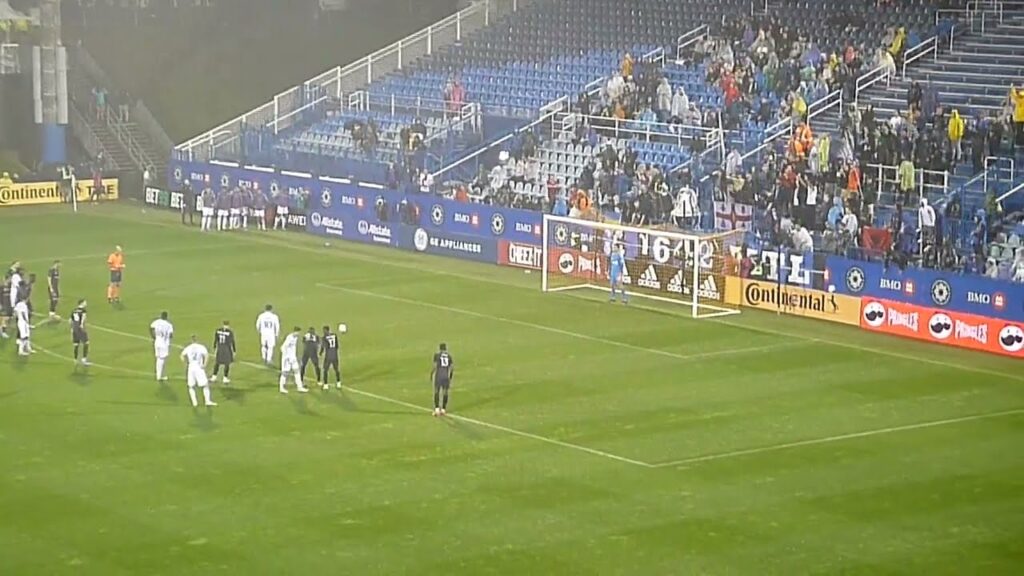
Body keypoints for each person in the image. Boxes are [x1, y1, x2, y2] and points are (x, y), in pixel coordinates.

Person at [180, 335, 216, 408]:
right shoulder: (201, 347)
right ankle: (207, 401)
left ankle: (194, 402)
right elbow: (206, 355)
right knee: (205, 384)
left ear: (192, 340)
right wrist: (204, 364)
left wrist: (185, 363)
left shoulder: (188, 347)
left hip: (191, 367)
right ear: (197, 340)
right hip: (199, 368)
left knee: (191, 385)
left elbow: (181, 355)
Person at [279, 327, 307, 394]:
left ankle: (300, 387)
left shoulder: (295, 338)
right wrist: (286, 357)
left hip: (293, 358)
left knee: (297, 371)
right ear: (294, 331)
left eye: (299, 333)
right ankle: (281, 388)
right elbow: (282, 347)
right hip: (287, 359)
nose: (298, 334)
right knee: (285, 373)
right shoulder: (289, 338)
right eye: (297, 332)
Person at [149, 311, 174, 382]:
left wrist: (153, 336)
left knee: (158, 358)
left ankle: (159, 374)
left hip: (157, 342)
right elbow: (171, 335)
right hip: (164, 343)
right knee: (162, 359)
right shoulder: (169, 325)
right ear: (166, 316)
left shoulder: (156, 322)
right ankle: (159, 376)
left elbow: (151, 328)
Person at [431, 342, 454, 416]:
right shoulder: (449, 356)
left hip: (439, 376)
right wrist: (450, 377)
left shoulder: (437, 355)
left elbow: (435, 366)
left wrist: (431, 374)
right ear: (446, 349)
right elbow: (452, 368)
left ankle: (437, 409)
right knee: (445, 392)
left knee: (437, 391)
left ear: (440, 349)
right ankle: (443, 409)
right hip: (445, 376)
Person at [320, 325, 341, 390]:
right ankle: (338, 383)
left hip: (328, 356)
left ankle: (326, 385)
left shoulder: (324, 338)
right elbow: (337, 346)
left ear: (326, 330)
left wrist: (320, 353)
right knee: (336, 369)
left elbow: (323, 347)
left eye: (324, 330)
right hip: (335, 355)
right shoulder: (334, 335)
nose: (323, 331)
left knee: (325, 370)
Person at [70, 299, 90, 365]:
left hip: (74, 329)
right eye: (85, 302)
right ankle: (84, 359)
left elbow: (70, 320)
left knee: (76, 344)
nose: (86, 303)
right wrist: (82, 325)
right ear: (81, 303)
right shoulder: (83, 311)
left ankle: (75, 359)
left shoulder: (74, 310)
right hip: (80, 329)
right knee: (86, 343)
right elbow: (83, 319)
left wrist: (72, 328)